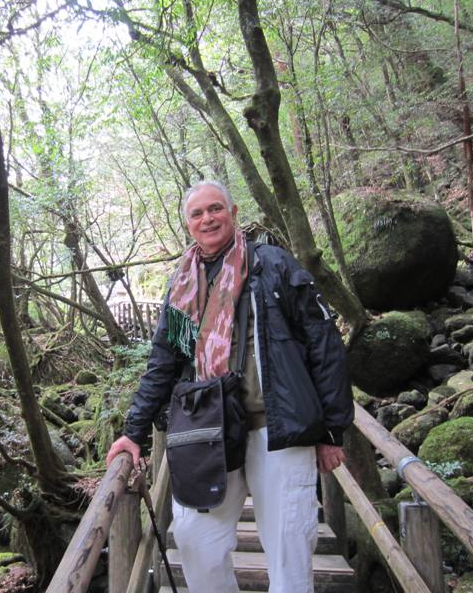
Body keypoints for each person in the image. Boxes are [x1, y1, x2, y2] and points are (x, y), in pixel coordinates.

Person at [106, 181, 354, 593]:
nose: (208, 219)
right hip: (210, 429)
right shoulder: (182, 284)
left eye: (215, 209)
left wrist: (332, 430)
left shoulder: (273, 264)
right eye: (197, 214)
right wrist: (133, 432)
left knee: (290, 548)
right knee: (194, 539)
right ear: (187, 224)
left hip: (280, 429)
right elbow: (164, 361)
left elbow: (323, 343)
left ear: (233, 213)